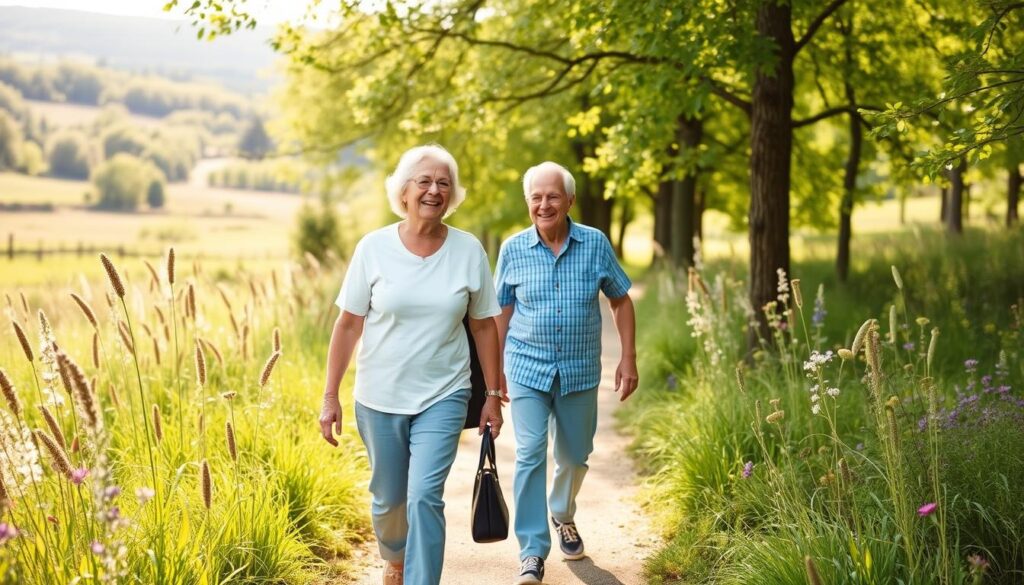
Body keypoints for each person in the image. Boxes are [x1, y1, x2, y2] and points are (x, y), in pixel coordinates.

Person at [319, 144, 504, 585]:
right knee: (388, 501)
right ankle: (395, 556)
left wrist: (493, 396)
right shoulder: (373, 248)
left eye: (444, 183)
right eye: (424, 181)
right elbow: (348, 325)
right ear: (404, 191)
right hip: (379, 396)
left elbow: (483, 327)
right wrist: (330, 397)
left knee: (424, 497)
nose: (434, 190)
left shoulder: (467, 250)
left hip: (445, 392)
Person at [494, 161, 638, 584]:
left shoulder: (594, 244)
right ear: (527, 203)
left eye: (553, 196)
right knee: (530, 452)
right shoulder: (512, 249)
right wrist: (494, 370)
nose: (544, 204)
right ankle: (532, 550)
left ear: (570, 200)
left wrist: (628, 357)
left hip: (578, 370)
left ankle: (562, 512)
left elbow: (621, 301)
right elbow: (500, 310)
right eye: (536, 197)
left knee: (575, 456)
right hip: (525, 368)